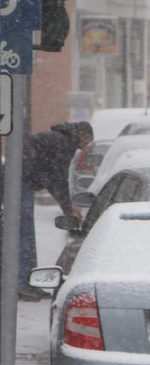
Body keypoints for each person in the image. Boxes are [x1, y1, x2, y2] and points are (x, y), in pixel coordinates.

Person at [15, 122, 92, 300]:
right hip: (20, 180)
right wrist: (68, 209)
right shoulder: (63, 145)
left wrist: (67, 207)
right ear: (81, 135)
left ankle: (26, 282)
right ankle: (22, 283)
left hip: (19, 177)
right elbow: (57, 178)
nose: (86, 146)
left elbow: (51, 177)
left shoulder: (59, 140)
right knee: (24, 233)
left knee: (25, 233)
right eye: (87, 140)